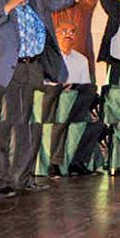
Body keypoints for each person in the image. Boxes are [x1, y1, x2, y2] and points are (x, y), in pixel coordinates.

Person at [0, 0, 89, 199]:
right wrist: (10, 5)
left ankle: (22, 178)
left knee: (31, 125)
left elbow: (63, 0)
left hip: (34, 69)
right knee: (2, 127)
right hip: (4, 73)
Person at [43, 22, 105, 178]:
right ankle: (54, 164)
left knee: (97, 124)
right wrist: (59, 86)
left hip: (75, 105)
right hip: (53, 105)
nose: (68, 35)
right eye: (63, 31)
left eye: (72, 32)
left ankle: (77, 163)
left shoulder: (81, 60)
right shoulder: (47, 57)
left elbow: (85, 87)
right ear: (54, 35)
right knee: (60, 121)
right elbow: (42, 83)